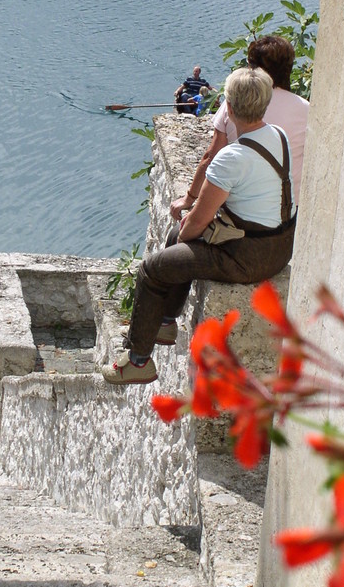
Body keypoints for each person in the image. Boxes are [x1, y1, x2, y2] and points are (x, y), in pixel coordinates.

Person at [102, 67, 296, 385]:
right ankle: (164, 321)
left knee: (153, 268)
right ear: (265, 105)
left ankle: (136, 361)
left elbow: (196, 223)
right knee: (177, 238)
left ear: (229, 108)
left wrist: (185, 220)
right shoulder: (279, 136)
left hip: (246, 257)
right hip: (279, 245)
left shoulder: (231, 158)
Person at [171, 35, 308, 220]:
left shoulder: (236, 104)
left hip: (243, 214)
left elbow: (210, 157)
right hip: (290, 212)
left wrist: (189, 198)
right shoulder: (307, 109)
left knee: (176, 238)